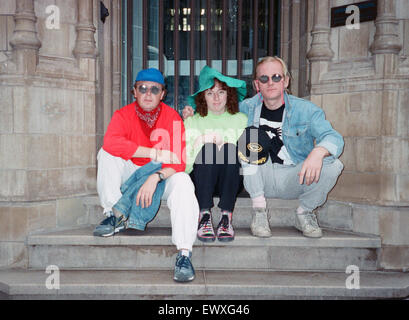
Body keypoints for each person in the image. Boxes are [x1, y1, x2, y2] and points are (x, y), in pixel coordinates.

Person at [183, 56, 344, 239]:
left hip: (295, 175)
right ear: (257, 84)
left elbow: (334, 138)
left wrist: (318, 152)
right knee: (250, 138)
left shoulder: (306, 110)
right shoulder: (248, 108)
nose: (270, 83)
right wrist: (192, 115)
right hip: (259, 175)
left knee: (334, 165)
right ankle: (259, 212)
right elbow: (216, 112)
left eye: (276, 77)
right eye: (264, 79)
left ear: (286, 81)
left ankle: (305, 212)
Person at [94, 68, 199, 282]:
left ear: (162, 94)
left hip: (161, 175)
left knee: (184, 181)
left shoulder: (173, 118)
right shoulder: (122, 115)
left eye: (154, 89)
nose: (148, 93)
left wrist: (155, 177)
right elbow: (111, 143)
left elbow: (179, 161)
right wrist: (154, 153)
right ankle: (115, 214)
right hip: (131, 172)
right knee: (105, 153)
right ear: (134, 92)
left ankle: (184, 253)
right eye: (142, 88)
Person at [184, 66, 248, 242]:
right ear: (203, 97)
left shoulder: (242, 120)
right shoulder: (193, 121)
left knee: (228, 148)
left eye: (221, 92)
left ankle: (226, 216)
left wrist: (223, 141)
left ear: (229, 94)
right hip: (201, 180)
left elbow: (248, 157)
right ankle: (204, 215)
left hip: (231, 180)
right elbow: (186, 164)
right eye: (210, 93)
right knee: (209, 148)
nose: (216, 98)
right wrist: (201, 141)